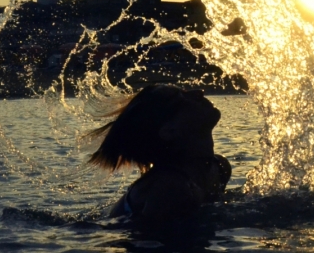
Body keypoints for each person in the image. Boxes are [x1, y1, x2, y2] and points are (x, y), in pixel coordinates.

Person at [87, 84, 232, 224]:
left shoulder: (219, 167)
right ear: (169, 131)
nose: (199, 92)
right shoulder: (169, 187)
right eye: (181, 98)